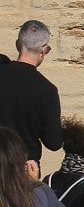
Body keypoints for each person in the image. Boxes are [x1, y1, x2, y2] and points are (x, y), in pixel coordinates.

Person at [0, 22, 62, 157]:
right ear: (43, 49)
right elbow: (53, 143)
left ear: (18, 45)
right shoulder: (47, 90)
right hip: (24, 163)